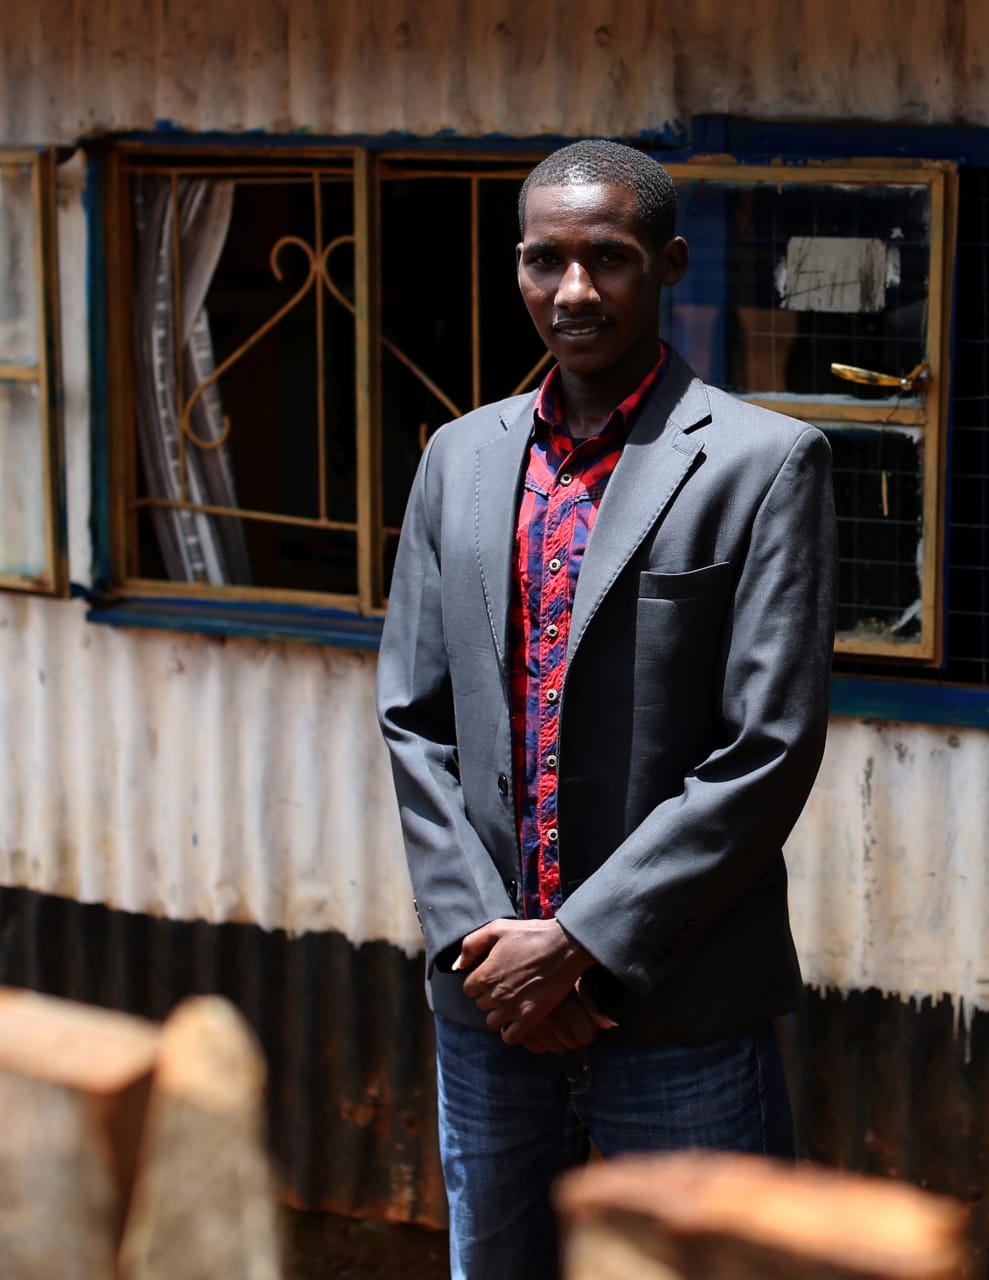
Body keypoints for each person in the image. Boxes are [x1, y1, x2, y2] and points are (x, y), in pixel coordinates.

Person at [375, 138, 836, 1280]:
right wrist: (492, 951)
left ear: (668, 262)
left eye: (608, 259)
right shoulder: (457, 459)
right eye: (545, 261)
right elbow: (413, 720)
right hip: (489, 1008)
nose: (572, 290)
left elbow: (765, 749)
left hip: (673, 1002)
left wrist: (579, 946)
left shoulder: (764, 463)